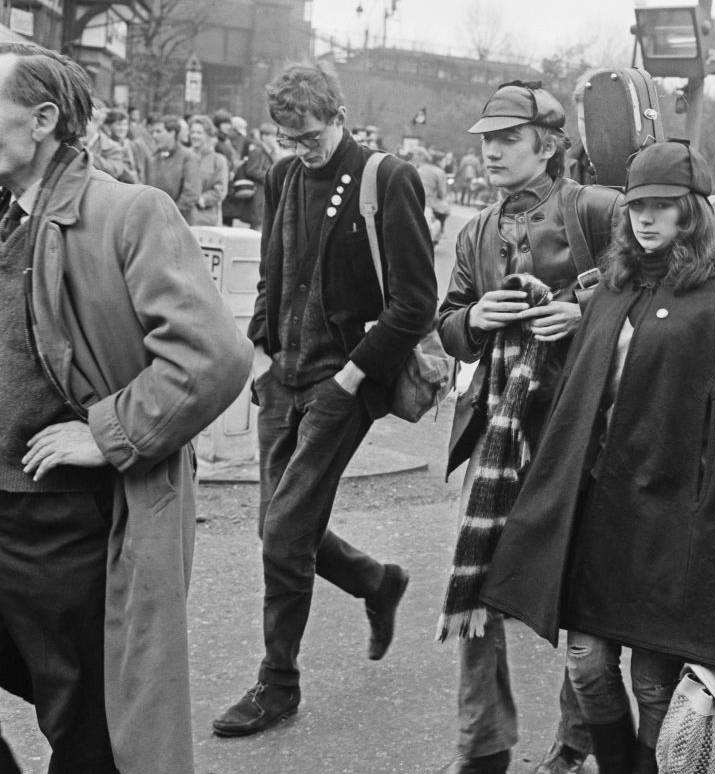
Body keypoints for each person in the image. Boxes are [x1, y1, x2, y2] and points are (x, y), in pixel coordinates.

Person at [478, 141, 715, 773]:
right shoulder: (613, 284)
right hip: (602, 506)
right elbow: (585, 393)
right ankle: (617, 763)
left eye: (662, 207)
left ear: (691, 213)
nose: (646, 219)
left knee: (655, 684)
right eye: (638, 207)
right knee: (587, 665)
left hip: (672, 521)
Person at [0, 42, 251, 774]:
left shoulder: (128, 212)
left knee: (91, 736)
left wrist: (107, 433)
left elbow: (213, 355)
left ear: (42, 120)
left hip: (66, 528)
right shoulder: (6, 214)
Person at [212, 62, 436, 737]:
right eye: (287, 137)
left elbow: (415, 303)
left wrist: (351, 378)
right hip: (284, 373)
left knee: (284, 533)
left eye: (308, 136)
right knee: (276, 528)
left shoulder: (385, 178)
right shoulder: (283, 175)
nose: (298, 148)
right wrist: (260, 349)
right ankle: (376, 581)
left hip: (344, 383)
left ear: (336, 117)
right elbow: (274, 269)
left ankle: (277, 683)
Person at [437, 80, 620, 774]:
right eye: (485, 139)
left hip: (577, 431)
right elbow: (449, 323)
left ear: (547, 144)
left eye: (507, 138)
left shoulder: (596, 208)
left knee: (579, 595)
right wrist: (470, 322)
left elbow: (652, 285)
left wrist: (584, 310)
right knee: (477, 588)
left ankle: (577, 739)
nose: (490, 151)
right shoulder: (477, 230)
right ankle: (483, 746)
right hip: (497, 429)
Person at [143, 114, 201, 224]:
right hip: (155, 222)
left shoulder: (188, 157)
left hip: (182, 222)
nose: (154, 136)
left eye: (159, 132)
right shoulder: (153, 159)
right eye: (153, 132)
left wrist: (168, 215)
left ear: (172, 133)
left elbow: (191, 194)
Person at [188, 114, 229, 227]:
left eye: (199, 133)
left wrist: (201, 199)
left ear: (208, 136)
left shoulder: (218, 160)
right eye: (192, 132)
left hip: (205, 219)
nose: (194, 136)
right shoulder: (184, 156)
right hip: (181, 217)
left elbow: (220, 191)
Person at [412, 146, 450, 237]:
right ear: (440, 161)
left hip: (413, 197)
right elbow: (442, 193)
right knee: (446, 209)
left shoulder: (421, 167)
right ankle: (439, 232)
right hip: (428, 202)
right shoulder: (440, 172)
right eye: (444, 160)